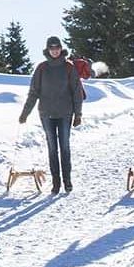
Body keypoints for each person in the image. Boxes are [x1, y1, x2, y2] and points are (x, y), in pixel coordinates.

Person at [18, 35, 86, 194]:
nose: (55, 51)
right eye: (52, 48)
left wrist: (78, 114)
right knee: (52, 148)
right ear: (48, 50)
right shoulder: (42, 68)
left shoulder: (69, 67)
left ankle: (67, 181)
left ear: (61, 49)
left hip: (65, 113)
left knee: (64, 147)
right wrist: (25, 113)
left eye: (57, 48)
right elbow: (34, 92)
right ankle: (56, 183)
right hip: (46, 113)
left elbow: (77, 92)